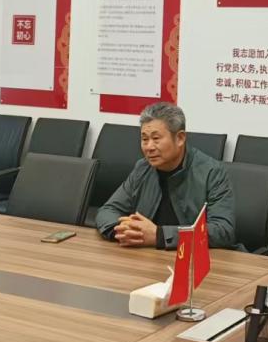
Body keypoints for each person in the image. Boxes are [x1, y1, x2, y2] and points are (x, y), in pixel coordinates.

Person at [96, 102, 236, 250]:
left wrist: (160, 236)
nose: (149, 147)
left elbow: (223, 231)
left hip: (194, 257)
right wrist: (124, 230)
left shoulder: (212, 172)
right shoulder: (142, 168)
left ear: (180, 138)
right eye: (145, 139)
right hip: (147, 255)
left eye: (156, 138)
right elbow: (108, 210)